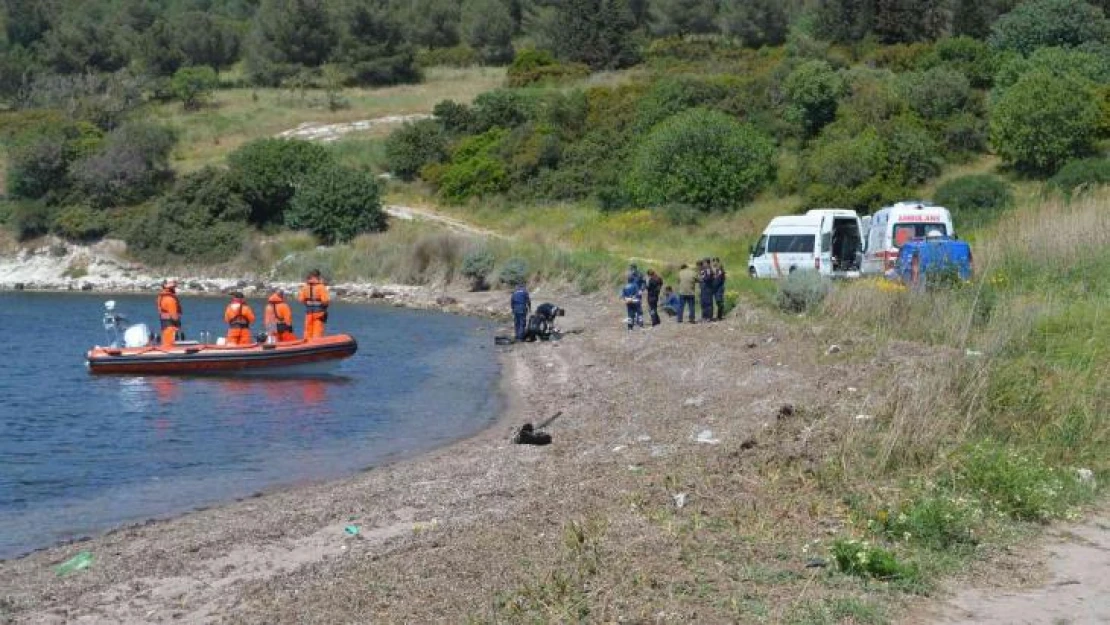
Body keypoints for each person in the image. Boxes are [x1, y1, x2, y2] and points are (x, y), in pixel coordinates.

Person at [297, 269, 331, 340]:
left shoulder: (305, 287)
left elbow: (300, 299)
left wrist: (308, 303)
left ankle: (307, 345)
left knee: (307, 331)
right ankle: (316, 346)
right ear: (317, 276)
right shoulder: (321, 287)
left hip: (309, 313)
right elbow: (325, 300)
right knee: (317, 332)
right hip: (319, 313)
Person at [156, 279, 182, 347]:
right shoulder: (170, 299)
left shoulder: (161, 297)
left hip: (164, 324)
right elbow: (174, 315)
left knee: (166, 341)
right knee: (169, 344)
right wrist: (178, 323)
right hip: (170, 325)